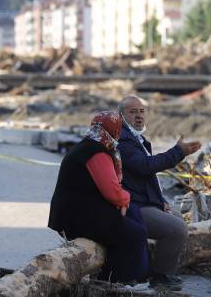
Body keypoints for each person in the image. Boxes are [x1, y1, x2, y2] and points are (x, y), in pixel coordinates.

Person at [47, 111, 149, 283]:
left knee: (135, 218)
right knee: (134, 233)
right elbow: (112, 191)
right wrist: (124, 200)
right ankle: (114, 280)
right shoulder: (97, 152)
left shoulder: (90, 144)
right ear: (115, 130)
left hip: (78, 211)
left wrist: (123, 201)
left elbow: (112, 190)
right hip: (76, 217)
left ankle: (137, 275)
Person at [117, 95, 201, 290]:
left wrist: (160, 200)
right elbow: (145, 167)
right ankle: (160, 276)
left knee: (178, 217)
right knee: (176, 229)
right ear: (121, 116)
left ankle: (157, 268)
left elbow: (147, 178)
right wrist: (178, 152)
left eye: (141, 111)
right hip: (131, 205)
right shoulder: (123, 140)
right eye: (132, 112)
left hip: (140, 200)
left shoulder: (138, 140)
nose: (139, 116)